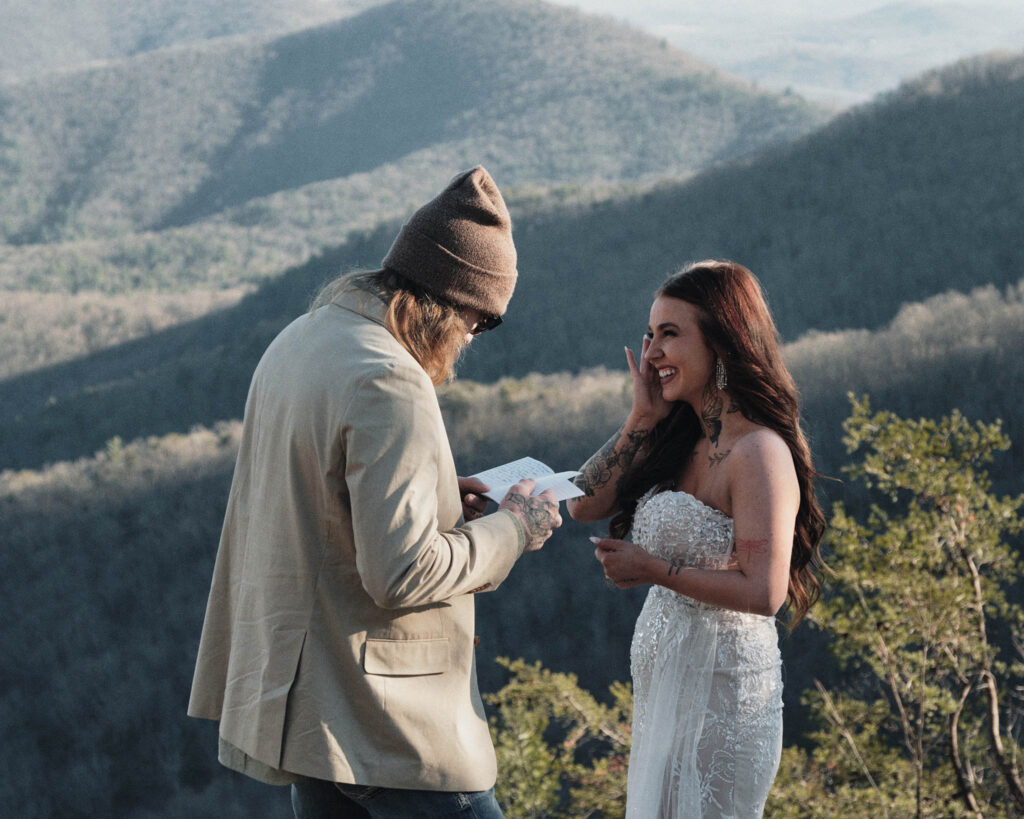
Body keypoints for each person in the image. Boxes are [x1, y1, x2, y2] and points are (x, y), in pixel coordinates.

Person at [187, 166, 562, 818]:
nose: (476, 335)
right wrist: (514, 528)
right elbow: (402, 573)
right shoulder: (390, 379)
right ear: (451, 300)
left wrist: (442, 495)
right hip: (392, 728)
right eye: (482, 317)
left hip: (310, 716)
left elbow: (323, 508)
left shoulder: (300, 340)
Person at [568, 260, 825, 818]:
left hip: (727, 699)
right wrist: (641, 417)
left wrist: (654, 570)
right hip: (667, 695)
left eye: (670, 334)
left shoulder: (758, 453)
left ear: (722, 344)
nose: (652, 352)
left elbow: (764, 593)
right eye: (650, 334)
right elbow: (583, 502)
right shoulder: (673, 438)